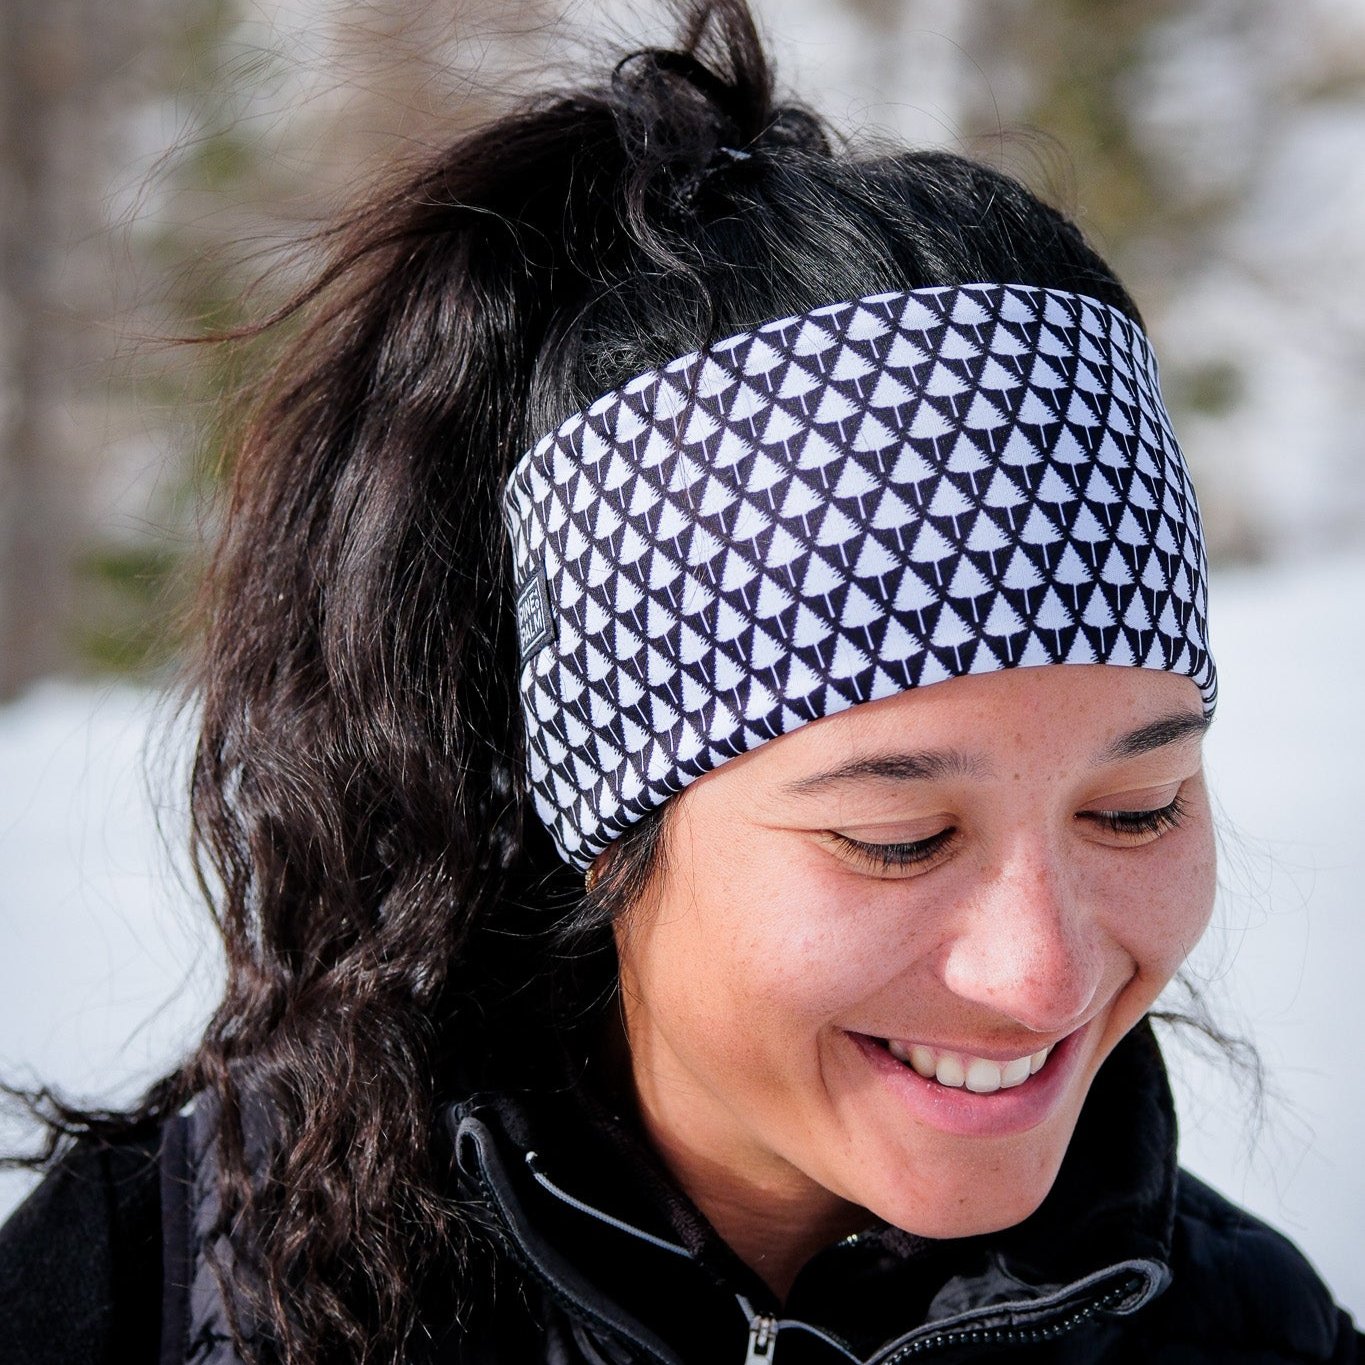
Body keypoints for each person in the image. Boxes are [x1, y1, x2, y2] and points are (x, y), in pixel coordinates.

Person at [1, 1, 1361, 1362]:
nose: (1040, 973)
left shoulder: (1248, 1337)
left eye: (1134, 808)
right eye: (897, 837)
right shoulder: (156, 1303)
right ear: (596, 821)